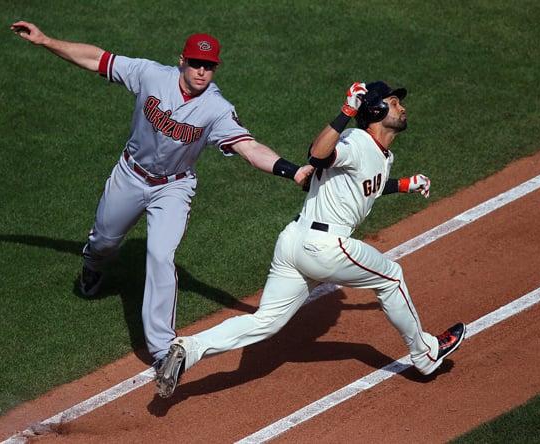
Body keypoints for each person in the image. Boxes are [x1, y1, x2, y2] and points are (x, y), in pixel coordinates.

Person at [10, 21, 313, 368]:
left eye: (209, 66)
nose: (202, 71)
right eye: (196, 64)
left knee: (160, 257)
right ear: (182, 61)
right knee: (104, 242)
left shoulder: (216, 108)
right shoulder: (151, 75)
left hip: (173, 187)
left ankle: (162, 351)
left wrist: (292, 170)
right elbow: (98, 59)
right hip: (130, 174)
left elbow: (248, 147)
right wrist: (46, 40)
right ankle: (93, 266)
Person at [156, 81, 466, 398]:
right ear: (375, 110)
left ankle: (189, 348)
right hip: (325, 246)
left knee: (266, 321)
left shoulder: (382, 155)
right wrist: (346, 110)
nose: (402, 106)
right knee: (391, 277)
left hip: (295, 243)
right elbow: (318, 154)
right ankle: (426, 354)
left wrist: (404, 185)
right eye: (394, 101)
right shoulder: (356, 141)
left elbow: (365, 185)